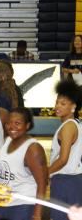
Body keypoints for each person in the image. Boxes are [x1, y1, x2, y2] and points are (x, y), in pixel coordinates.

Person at [0, 108, 48, 220]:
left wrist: (37, 214)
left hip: (23, 207)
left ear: (27, 125)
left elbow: (42, 183)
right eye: (8, 123)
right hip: (1, 204)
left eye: (17, 123)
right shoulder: (7, 141)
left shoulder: (33, 149)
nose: (11, 127)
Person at [49, 80, 82, 220]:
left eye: (63, 103)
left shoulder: (68, 126)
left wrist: (45, 172)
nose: (57, 106)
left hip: (66, 181)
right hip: (73, 180)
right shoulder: (77, 123)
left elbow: (63, 159)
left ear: (73, 106)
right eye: (57, 102)